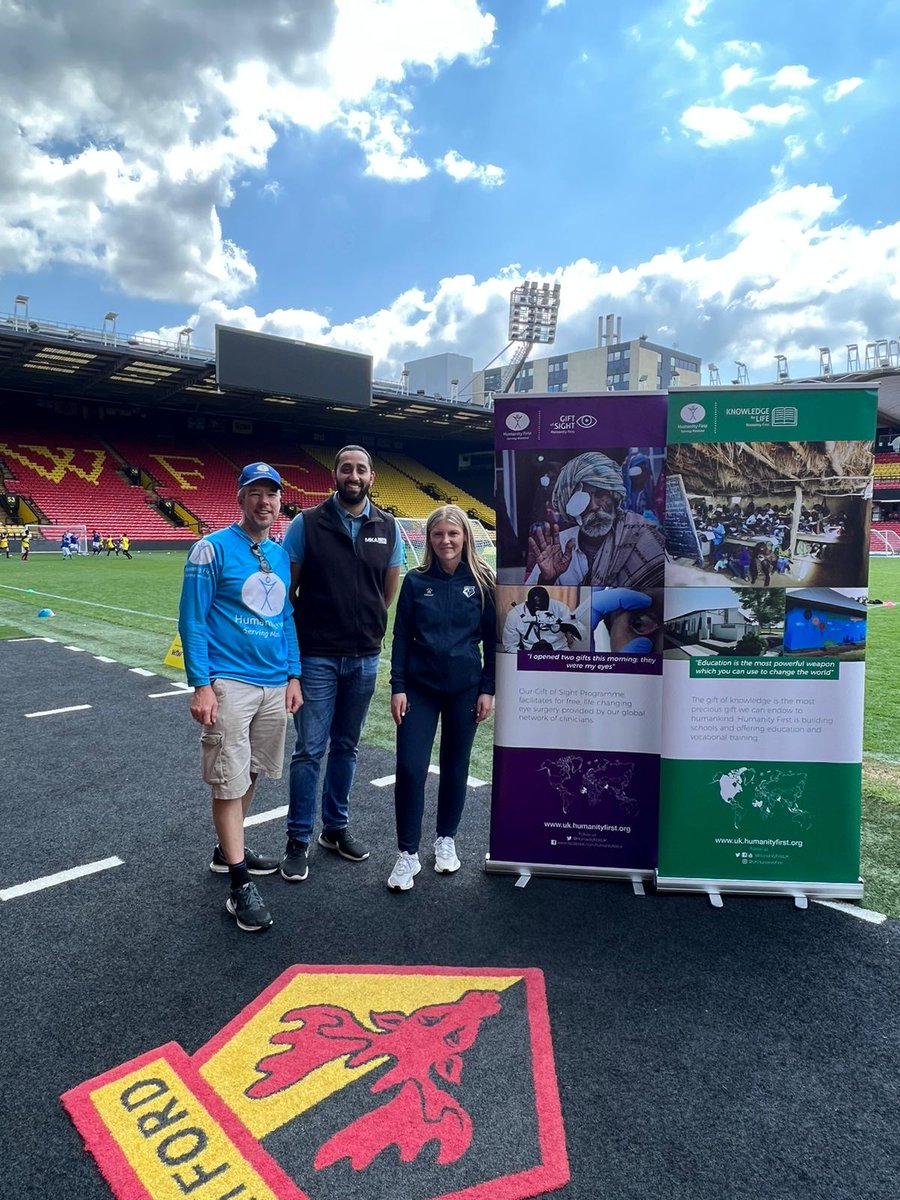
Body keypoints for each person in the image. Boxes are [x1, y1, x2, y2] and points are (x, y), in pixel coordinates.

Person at [178, 462, 302, 933]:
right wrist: (201, 683)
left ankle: (225, 849)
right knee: (228, 777)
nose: (265, 502)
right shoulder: (210, 550)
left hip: (274, 683)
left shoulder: (278, 554)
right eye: (256, 493)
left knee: (251, 771)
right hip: (230, 682)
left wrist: (293, 674)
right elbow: (192, 619)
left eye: (272, 494)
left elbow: (285, 619)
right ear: (240, 498)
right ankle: (238, 882)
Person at [281, 445, 403, 882]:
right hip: (316, 657)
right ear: (334, 474)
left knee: (347, 748)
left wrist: (365, 626)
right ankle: (298, 839)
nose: (353, 475)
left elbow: (386, 593)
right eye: (346, 468)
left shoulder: (388, 528)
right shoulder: (306, 525)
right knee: (309, 750)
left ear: (372, 477)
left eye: (361, 469)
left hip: (365, 658)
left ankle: (334, 829)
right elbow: (287, 593)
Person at [388, 505, 495, 892]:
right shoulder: (416, 582)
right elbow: (401, 636)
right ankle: (407, 854)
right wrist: (397, 685)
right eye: (438, 535)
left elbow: (494, 640)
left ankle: (446, 839)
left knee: (455, 766)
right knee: (411, 768)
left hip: (464, 688)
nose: (446, 541)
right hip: (419, 687)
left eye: (453, 534)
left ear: (465, 536)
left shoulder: (483, 581)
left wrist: (488, 688)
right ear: (428, 540)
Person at [526, 451, 664, 591]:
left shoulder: (642, 536)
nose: (593, 507)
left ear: (614, 497)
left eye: (600, 494)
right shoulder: (559, 547)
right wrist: (547, 580)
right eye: (581, 499)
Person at [502, 586, 585, 652]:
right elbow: (510, 646)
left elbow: (582, 637)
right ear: (528, 604)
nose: (540, 612)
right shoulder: (514, 615)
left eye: (543, 607)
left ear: (548, 602)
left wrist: (569, 626)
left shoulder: (560, 608)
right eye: (536, 609)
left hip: (560, 651)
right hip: (530, 654)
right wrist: (527, 654)